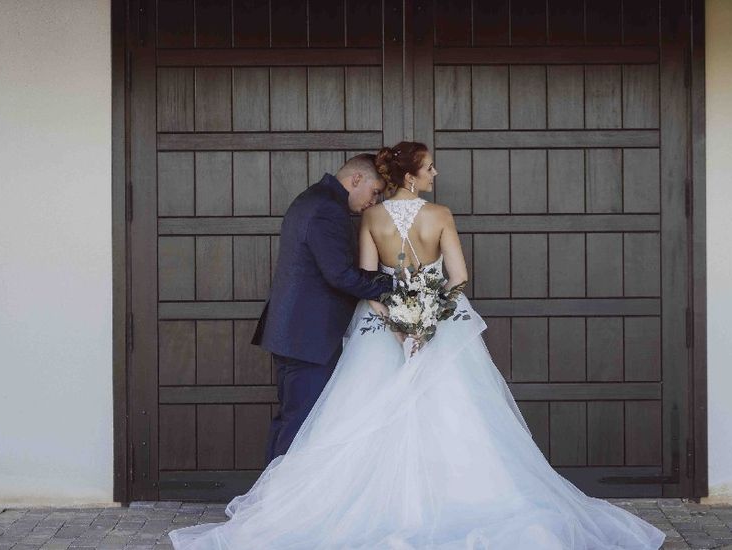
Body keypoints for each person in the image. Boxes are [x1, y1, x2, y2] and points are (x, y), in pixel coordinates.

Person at [170, 142, 667, 549]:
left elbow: (365, 277)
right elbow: (459, 278)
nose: (435, 171)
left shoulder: (365, 219)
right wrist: (426, 311)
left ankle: (291, 507)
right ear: (410, 176)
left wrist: (397, 312)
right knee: (447, 416)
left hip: (377, 330)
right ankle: (279, 506)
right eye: (430, 166)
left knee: (348, 418)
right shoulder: (433, 214)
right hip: (425, 327)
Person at [250, 155, 393, 464]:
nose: (374, 201)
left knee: (290, 419)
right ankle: (279, 504)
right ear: (356, 179)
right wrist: (391, 286)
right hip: (307, 337)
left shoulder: (311, 198)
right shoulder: (328, 208)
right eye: (374, 191)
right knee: (302, 423)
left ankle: (271, 499)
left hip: (292, 332)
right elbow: (339, 274)